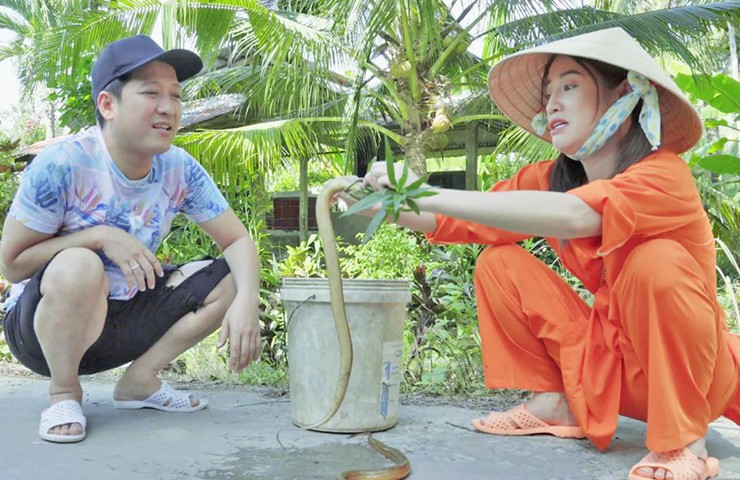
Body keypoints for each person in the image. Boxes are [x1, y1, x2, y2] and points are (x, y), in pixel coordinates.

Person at [341, 28, 739, 480]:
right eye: (548, 94)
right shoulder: (552, 179)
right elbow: (459, 220)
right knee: (498, 262)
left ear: (624, 96)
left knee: (656, 262)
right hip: (612, 371)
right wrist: (386, 204)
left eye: (569, 86)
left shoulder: (665, 174)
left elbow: (576, 215)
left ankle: (684, 444)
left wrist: (421, 191)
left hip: (696, 378)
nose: (551, 104)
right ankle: (555, 403)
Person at [0, 35, 262, 443]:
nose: (168, 107)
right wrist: (98, 237)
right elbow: (12, 265)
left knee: (230, 277)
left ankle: (140, 381)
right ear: (108, 105)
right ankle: (64, 393)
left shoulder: (178, 167)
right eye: (151, 93)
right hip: (41, 332)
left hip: (122, 317)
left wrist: (248, 299)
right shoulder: (63, 164)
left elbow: (237, 241)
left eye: (175, 95)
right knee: (79, 263)